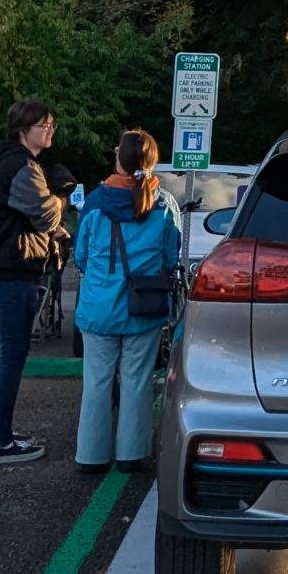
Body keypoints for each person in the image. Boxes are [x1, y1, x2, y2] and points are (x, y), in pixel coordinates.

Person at [72, 129, 181, 474]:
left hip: (99, 308)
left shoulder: (95, 202)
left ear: (120, 158)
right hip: (143, 308)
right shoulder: (163, 205)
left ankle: (91, 455)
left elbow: (81, 256)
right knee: (137, 381)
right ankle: (132, 455)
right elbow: (170, 256)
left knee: (97, 382)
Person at [0, 101, 71, 465]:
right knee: (14, 355)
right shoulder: (21, 166)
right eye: (43, 125)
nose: (49, 130)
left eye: (51, 125)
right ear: (22, 128)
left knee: (8, 355)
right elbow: (45, 214)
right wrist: (61, 196)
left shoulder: (13, 163)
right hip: (13, 269)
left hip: (6, 267)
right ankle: (0, 443)